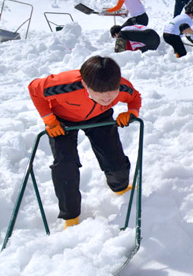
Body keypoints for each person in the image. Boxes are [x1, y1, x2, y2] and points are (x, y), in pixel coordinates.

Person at [27, 56, 140, 228]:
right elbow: (34, 89)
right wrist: (49, 120)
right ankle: (70, 216)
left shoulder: (122, 86)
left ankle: (121, 188)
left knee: (114, 159)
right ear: (85, 85)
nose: (107, 97)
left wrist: (131, 112)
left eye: (112, 91)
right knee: (65, 165)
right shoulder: (62, 85)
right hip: (62, 121)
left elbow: (135, 97)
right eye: (100, 92)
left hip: (99, 118)